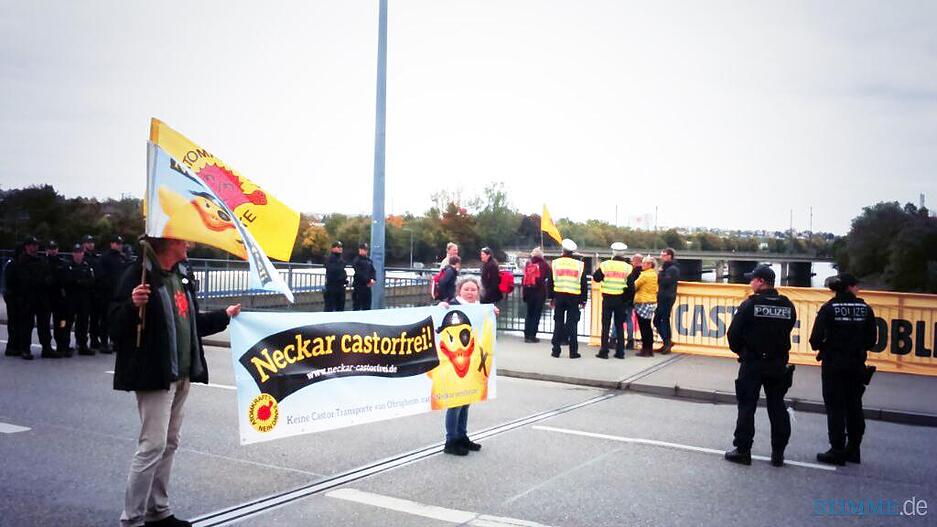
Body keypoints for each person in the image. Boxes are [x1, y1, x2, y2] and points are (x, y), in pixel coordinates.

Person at [112, 237, 240, 527]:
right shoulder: (138, 275)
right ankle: (132, 519)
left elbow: (191, 322)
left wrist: (225, 316)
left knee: (169, 443)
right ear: (167, 243)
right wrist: (132, 306)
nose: (189, 245)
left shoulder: (181, 275)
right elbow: (113, 327)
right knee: (152, 446)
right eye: (183, 240)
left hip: (182, 372)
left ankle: (157, 511)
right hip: (154, 374)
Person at [724, 264, 796, 467]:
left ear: (761, 281)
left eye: (753, 279)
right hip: (777, 363)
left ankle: (743, 451)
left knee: (747, 406)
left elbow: (733, 334)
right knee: (777, 406)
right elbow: (789, 327)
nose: (750, 282)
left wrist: (743, 352)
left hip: (753, 362)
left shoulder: (750, 305)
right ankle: (778, 453)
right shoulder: (787, 305)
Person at [810, 273, 877, 466]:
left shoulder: (828, 308)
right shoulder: (866, 309)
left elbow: (815, 340)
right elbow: (871, 341)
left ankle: (837, 449)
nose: (859, 289)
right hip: (856, 365)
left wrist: (826, 346)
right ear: (849, 287)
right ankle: (853, 449)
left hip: (833, 364)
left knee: (835, 408)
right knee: (854, 406)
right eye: (856, 285)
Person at [437, 276, 498, 455]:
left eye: (473, 289)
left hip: (471, 363)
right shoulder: (452, 306)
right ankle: (451, 441)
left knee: (466, 401)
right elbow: (436, 318)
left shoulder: (480, 309)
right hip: (453, 363)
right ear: (459, 291)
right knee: (455, 402)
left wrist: (492, 314)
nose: (470, 292)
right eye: (466, 289)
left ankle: (462, 435)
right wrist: (440, 308)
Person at [11, 236, 57, 359]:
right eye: (33, 245)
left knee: (44, 324)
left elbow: (49, 276)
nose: (36, 247)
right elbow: (24, 280)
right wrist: (41, 281)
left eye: (36, 245)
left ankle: (46, 348)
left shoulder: (41, 260)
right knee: (27, 325)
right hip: (28, 297)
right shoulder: (22, 262)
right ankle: (25, 349)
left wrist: (46, 281)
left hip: (42, 297)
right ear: (27, 247)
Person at [548, 239, 587, 359]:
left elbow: (550, 281)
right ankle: (573, 352)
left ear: (563, 250)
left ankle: (556, 350)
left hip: (559, 296)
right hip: (574, 297)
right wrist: (583, 299)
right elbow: (583, 283)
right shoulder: (579, 265)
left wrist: (551, 297)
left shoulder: (555, 263)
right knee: (573, 324)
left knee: (558, 323)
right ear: (572, 252)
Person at [592, 242, 633, 359]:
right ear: (624, 253)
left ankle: (604, 351)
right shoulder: (628, 267)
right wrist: (626, 300)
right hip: (620, 300)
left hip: (608, 298)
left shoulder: (605, 265)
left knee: (605, 326)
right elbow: (631, 287)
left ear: (613, 252)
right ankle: (620, 352)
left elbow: (596, 278)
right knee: (619, 326)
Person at [98, 234, 129, 353]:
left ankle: (115, 341)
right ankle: (104, 343)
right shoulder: (105, 258)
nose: (119, 246)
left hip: (119, 294)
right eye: (117, 243)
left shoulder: (123, 257)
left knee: (117, 319)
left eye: (120, 244)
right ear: (112, 244)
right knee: (105, 318)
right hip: (107, 293)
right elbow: (101, 275)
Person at [65, 243, 96, 355]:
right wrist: (79, 282)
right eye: (76, 252)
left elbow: (92, 281)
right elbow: (68, 282)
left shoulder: (87, 266)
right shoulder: (68, 266)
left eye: (80, 252)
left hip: (84, 298)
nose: (79, 254)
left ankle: (82, 344)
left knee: (83, 322)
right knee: (67, 322)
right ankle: (65, 345)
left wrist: (80, 282)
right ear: (73, 253)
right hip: (71, 298)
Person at [46, 241, 72, 356]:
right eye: (51, 248)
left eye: (55, 248)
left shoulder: (63, 263)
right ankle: (47, 347)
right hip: (46, 298)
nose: (53, 250)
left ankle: (62, 345)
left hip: (60, 299)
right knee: (45, 323)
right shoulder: (43, 263)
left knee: (61, 323)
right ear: (47, 250)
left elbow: (67, 281)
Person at [521, 247, 551, 343]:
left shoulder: (528, 264)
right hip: (539, 293)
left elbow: (524, 279)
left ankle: (526, 335)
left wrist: (524, 294)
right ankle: (532, 336)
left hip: (528, 292)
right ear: (541, 256)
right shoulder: (544, 264)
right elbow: (549, 276)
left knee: (529, 314)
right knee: (536, 314)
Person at [632, 256, 659, 357]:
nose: (642, 265)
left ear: (650, 265)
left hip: (643, 301)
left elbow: (634, 285)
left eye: (644, 263)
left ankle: (645, 349)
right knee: (648, 326)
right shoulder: (654, 274)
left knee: (644, 327)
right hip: (651, 301)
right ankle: (649, 349)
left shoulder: (645, 275)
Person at [654, 248, 680, 354]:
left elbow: (664, 282)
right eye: (661, 255)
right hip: (664, 296)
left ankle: (667, 342)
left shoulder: (672, 269)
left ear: (670, 256)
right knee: (660, 320)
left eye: (664, 255)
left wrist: (660, 273)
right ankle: (666, 341)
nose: (662, 257)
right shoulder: (669, 268)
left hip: (667, 297)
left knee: (662, 320)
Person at [81, 234, 104, 351]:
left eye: (92, 242)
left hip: (96, 291)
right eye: (88, 242)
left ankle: (95, 339)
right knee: (83, 318)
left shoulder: (96, 257)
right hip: (85, 292)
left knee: (95, 318)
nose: (91, 244)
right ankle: (82, 342)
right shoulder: (82, 257)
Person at [2, 243, 24, 357]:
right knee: (14, 323)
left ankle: (16, 345)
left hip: (16, 297)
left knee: (17, 323)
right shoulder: (12, 264)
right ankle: (12, 347)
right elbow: (10, 283)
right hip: (13, 297)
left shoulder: (16, 264)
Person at [623, 253, 644, 350]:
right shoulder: (644, 271)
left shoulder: (632, 272)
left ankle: (626, 340)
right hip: (641, 299)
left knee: (624, 319)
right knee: (641, 321)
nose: (631, 262)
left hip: (629, 299)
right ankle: (636, 340)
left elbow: (630, 285)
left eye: (632, 261)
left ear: (636, 261)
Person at [351, 243, 377, 311]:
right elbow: (359, 273)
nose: (364, 251)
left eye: (366, 250)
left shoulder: (369, 260)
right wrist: (369, 280)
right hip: (359, 286)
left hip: (367, 287)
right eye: (363, 249)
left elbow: (373, 271)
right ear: (359, 250)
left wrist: (373, 279)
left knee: (367, 307)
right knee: (357, 307)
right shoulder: (357, 260)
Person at [323, 241, 348, 312]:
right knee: (329, 308)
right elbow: (333, 270)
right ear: (333, 249)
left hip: (340, 286)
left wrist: (344, 279)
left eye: (341, 247)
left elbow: (342, 271)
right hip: (331, 286)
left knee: (340, 308)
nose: (340, 249)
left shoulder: (341, 259)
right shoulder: (329, 259)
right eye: (338, 247)